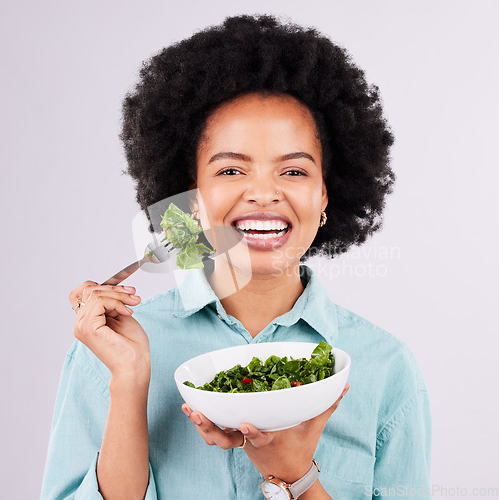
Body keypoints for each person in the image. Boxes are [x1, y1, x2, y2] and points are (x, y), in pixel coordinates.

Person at [41, 14, 431, 500]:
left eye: (293, 171)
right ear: (191, 196)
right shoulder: (111, 349)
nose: (263, 194)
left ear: (326, 195)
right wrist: (130, 383)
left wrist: (295, 476)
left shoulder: (385, 366)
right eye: (230, 170)